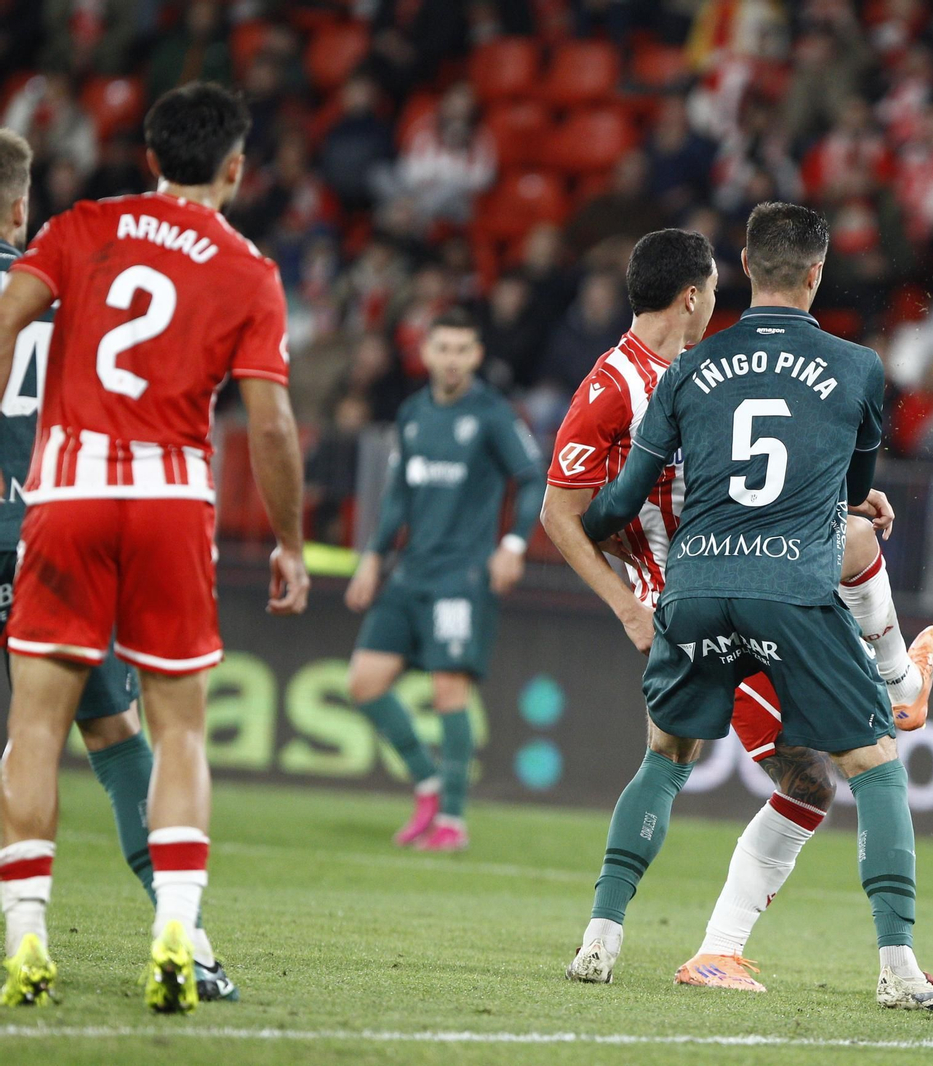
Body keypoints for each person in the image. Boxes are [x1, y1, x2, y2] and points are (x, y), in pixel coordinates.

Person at [564, 203, 933, 1013]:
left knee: (664, 761)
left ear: (744, 264)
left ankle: (599, 941)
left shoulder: (686, 371)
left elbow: (618, 503)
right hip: (789, 592)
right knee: (875, 769)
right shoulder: (857, 366)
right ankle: (897, 968)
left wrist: (600, 538)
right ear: (817, 273)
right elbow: (851, 495)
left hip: (696, 590)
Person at [0, 82, 309, 1012]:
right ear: (235, 168)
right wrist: (290, 541)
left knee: (35, 729)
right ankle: (177, 924)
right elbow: (273, 424)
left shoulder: (78, 226)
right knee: (173, 729)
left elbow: (11, 319)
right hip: (170, 497)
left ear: (146, 157)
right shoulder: (248, 266)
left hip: (66, 489)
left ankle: (24, 933)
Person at [343, 309, 545, 853]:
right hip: (409, 574)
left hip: (462, 577)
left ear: (476, 356)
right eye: (444, 348)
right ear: (427, 353)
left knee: (448, 689)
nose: (452, 358)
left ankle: (452, 820)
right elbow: (399, 497)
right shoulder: (411, 415)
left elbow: (530, 479)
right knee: (363, 682)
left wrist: (512, 544)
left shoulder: (493, 414)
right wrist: (372, 557)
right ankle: (429, 787)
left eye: (463, 349)